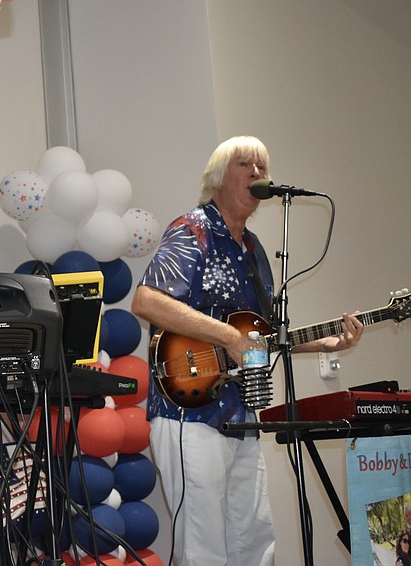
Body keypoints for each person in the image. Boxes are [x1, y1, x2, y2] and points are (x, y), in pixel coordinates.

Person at [131, 135, 364, 565]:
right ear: (218, 178)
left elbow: (263, 334)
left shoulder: (254, 251)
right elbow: (147, 302)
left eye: (262, 168)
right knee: (204, 547)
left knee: (256, 540)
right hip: (189, 409)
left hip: (242, 409)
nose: (258, 175)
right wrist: (227, 337)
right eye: (246, 166)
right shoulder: (192, 230)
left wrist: (328, 341)